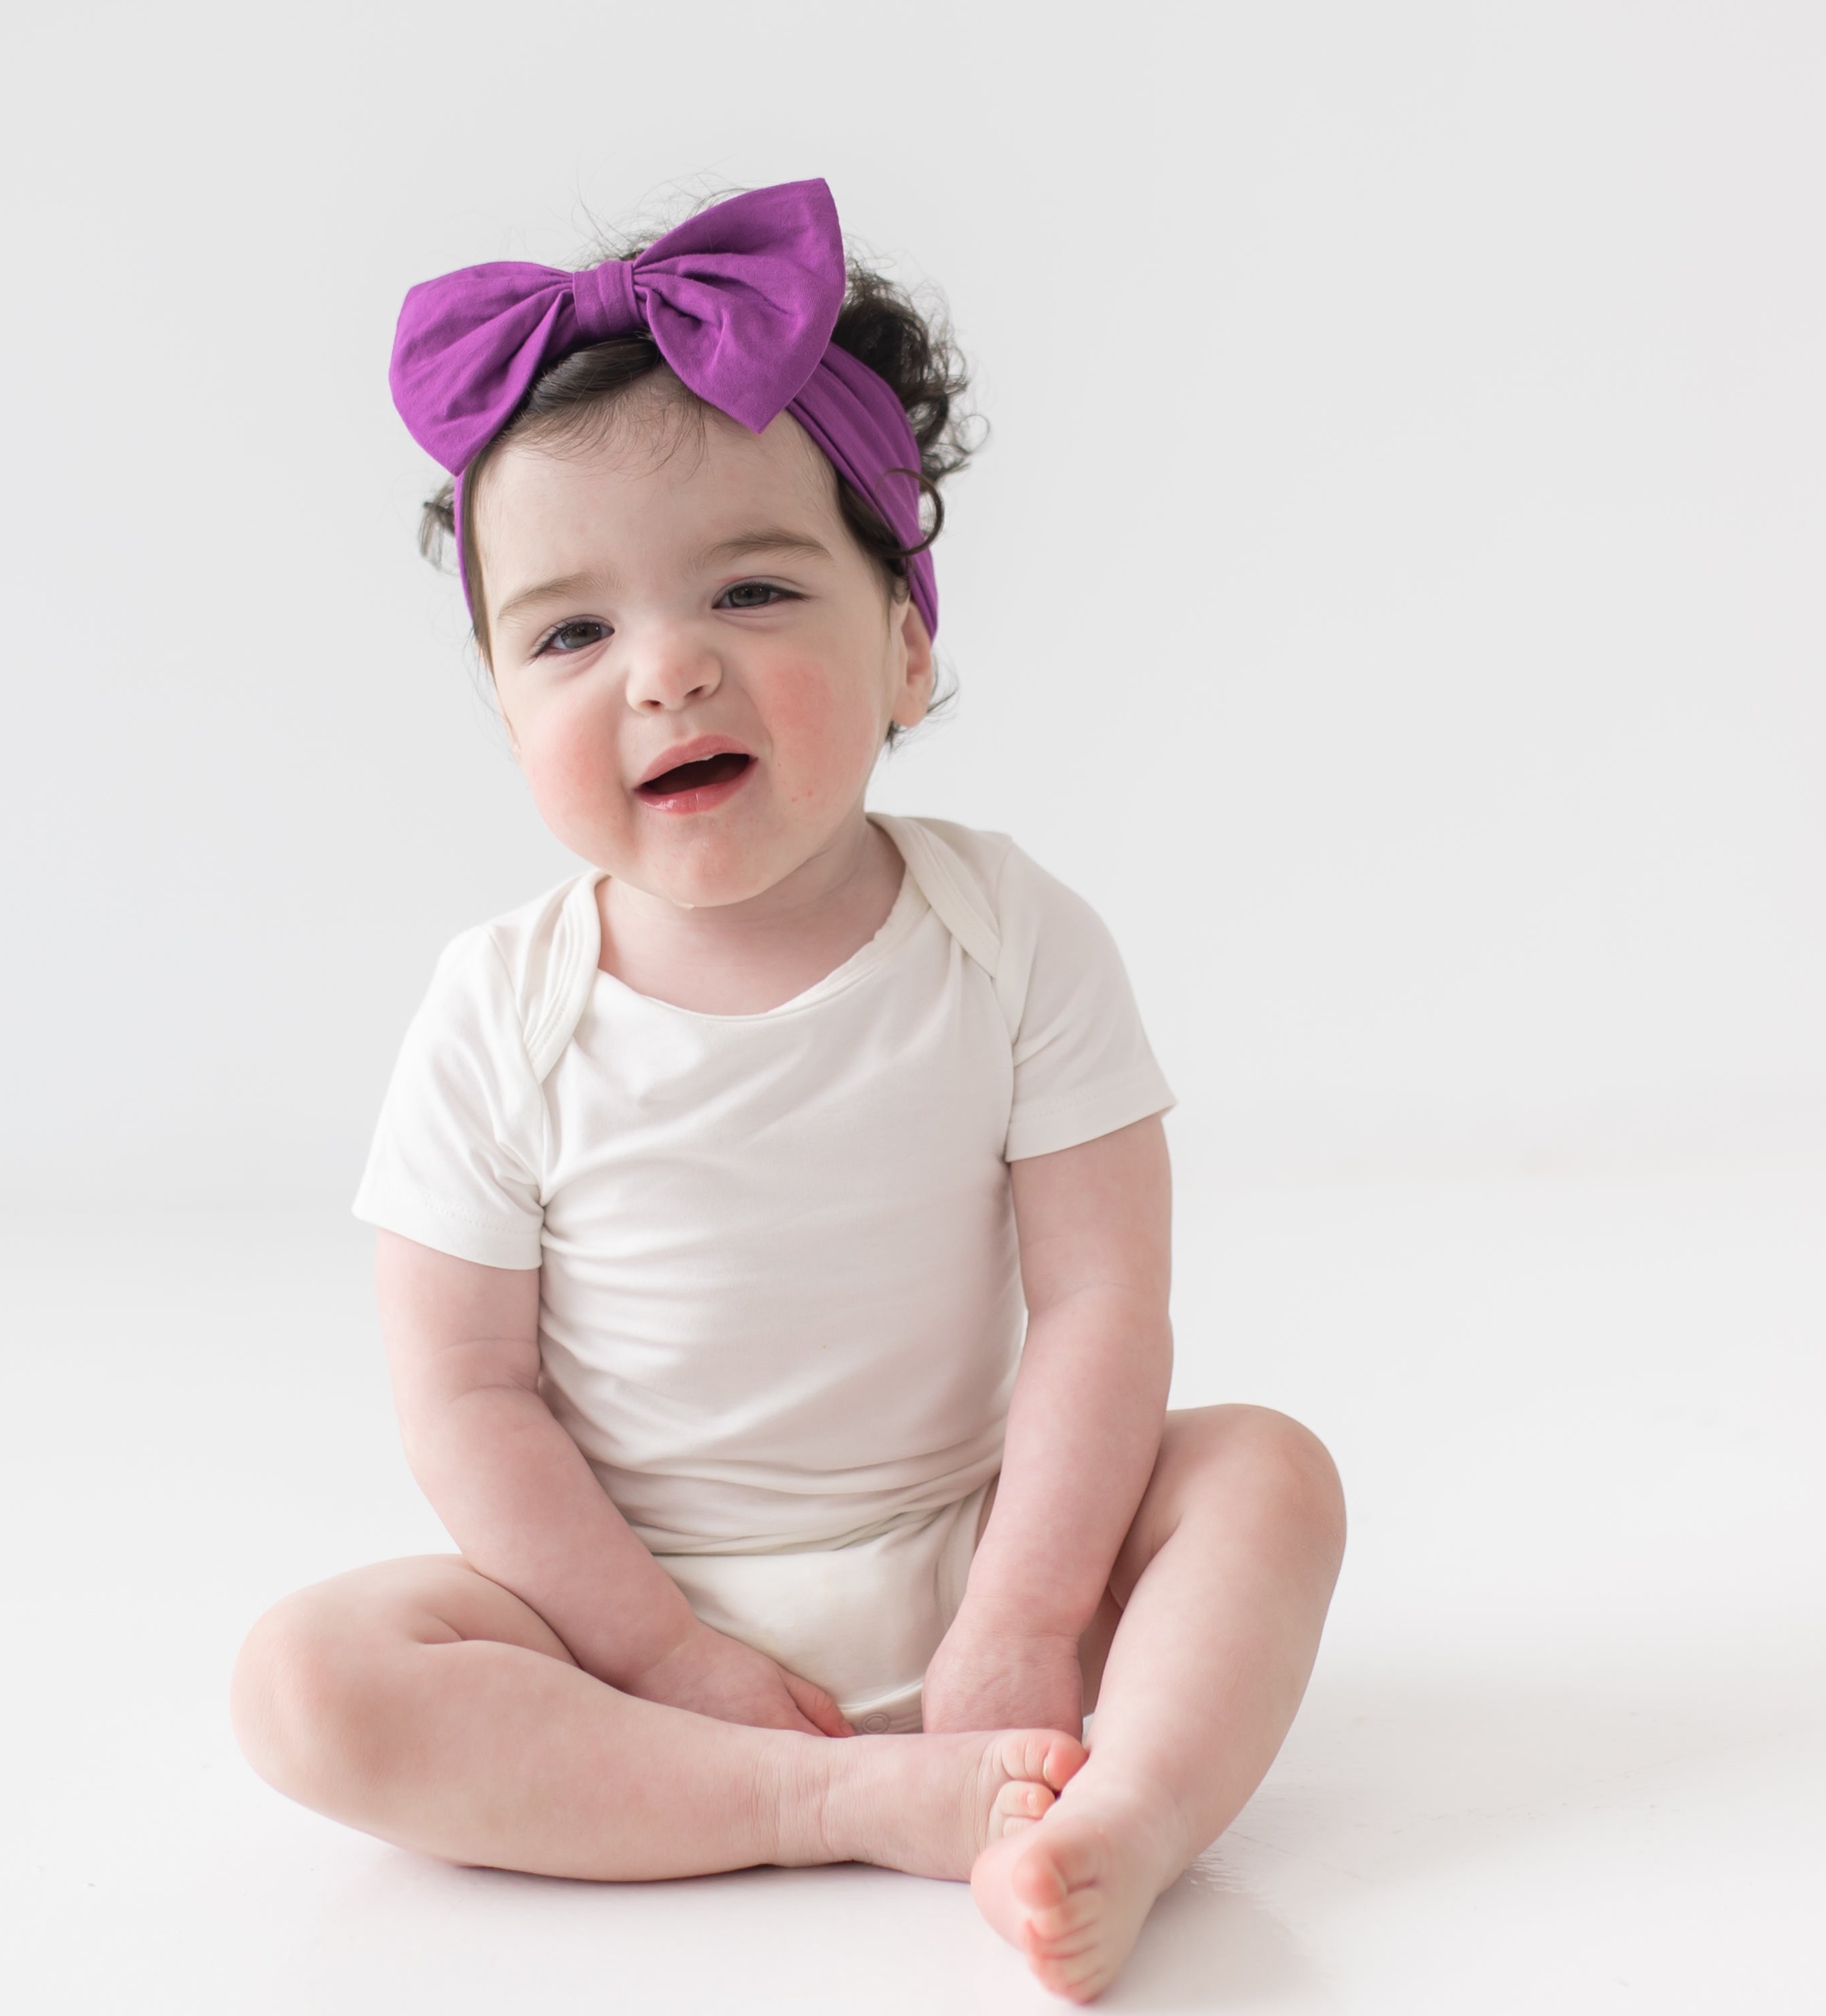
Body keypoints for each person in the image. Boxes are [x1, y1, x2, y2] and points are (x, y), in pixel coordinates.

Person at [230, 178, 1345, 2004]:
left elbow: (1098, 1305)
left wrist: (1031, 1614)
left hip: (995, 1550)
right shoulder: (498, 1011)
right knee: (309, 1679)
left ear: (909, 642)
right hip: (626, 1617)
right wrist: (662, 1651)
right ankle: (802, 1802)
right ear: (503, 706)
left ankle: (1115, 1816)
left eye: (753, 588)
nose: (668, 667)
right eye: (570, 635)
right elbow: (467, 1394)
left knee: (1266, 1476)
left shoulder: (1012, 937)